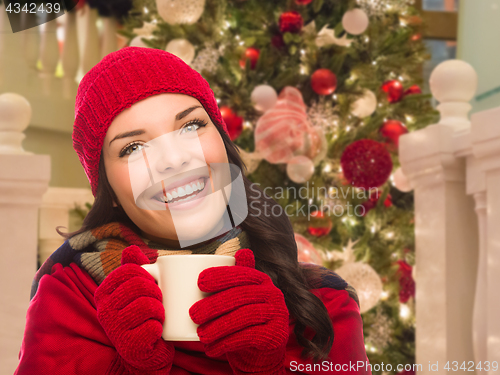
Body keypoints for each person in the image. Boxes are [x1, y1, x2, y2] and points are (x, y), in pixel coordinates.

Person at [14, 46, 372, 375]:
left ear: (222, 144)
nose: (174, 159)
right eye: (133, 148)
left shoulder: (326, 301)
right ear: (110, 194)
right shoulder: (69, 297)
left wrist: (271, 366)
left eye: (191, 125)